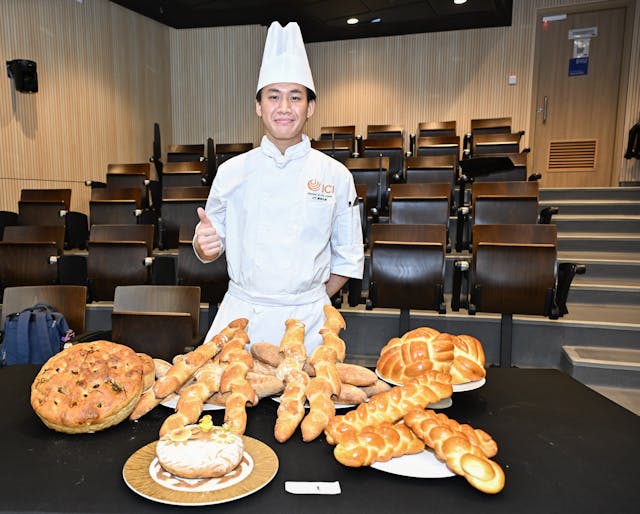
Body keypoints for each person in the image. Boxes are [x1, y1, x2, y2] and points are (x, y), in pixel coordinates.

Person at [193, 21, 364, 352]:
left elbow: (347, 259)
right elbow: (209, 246)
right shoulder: (231, 172)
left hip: (309, 325)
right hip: (241, 319)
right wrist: (203, 246)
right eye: (273, 97)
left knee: (309, 403)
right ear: (259, 106)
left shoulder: (337, 175)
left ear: (310, 107)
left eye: (295, 97)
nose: (284, 108)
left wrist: (306, 300)